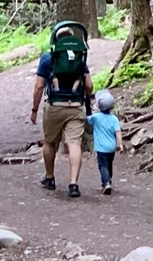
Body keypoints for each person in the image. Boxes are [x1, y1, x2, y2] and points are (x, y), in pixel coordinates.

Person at [30, 19, 92, 197]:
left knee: (50, 142)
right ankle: (73, 183)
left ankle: (50, 178)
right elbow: (89, 85)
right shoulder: (80, 57)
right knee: (74, 143)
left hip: (55, 105)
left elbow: (39, 87)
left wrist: (34, 110)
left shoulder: (48, 58)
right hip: (75, 106)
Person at [90, 87, 122, 195]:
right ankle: (108, 181)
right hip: (111, 147)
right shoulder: (114, 119)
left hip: (101, 148)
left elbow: (86, 118)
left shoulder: (96, 117)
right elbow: (118, 132)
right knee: (109, 164)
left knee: (102, 165)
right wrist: (120, 144)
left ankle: (106, 182)